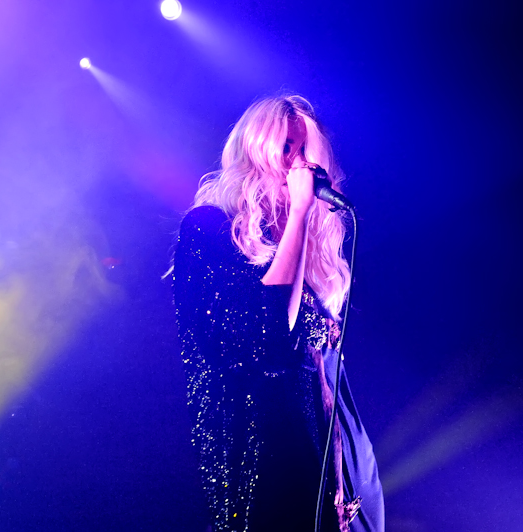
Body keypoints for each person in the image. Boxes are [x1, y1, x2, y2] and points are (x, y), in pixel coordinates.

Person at [172, 95, 384, 532]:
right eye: (287, 147)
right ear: (255, 151)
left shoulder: (308, 260)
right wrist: (302, 214)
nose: (301, 164)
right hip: (265, 463)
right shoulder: (208, 229)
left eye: (308, 151)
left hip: (340, 465)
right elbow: (269, 330)